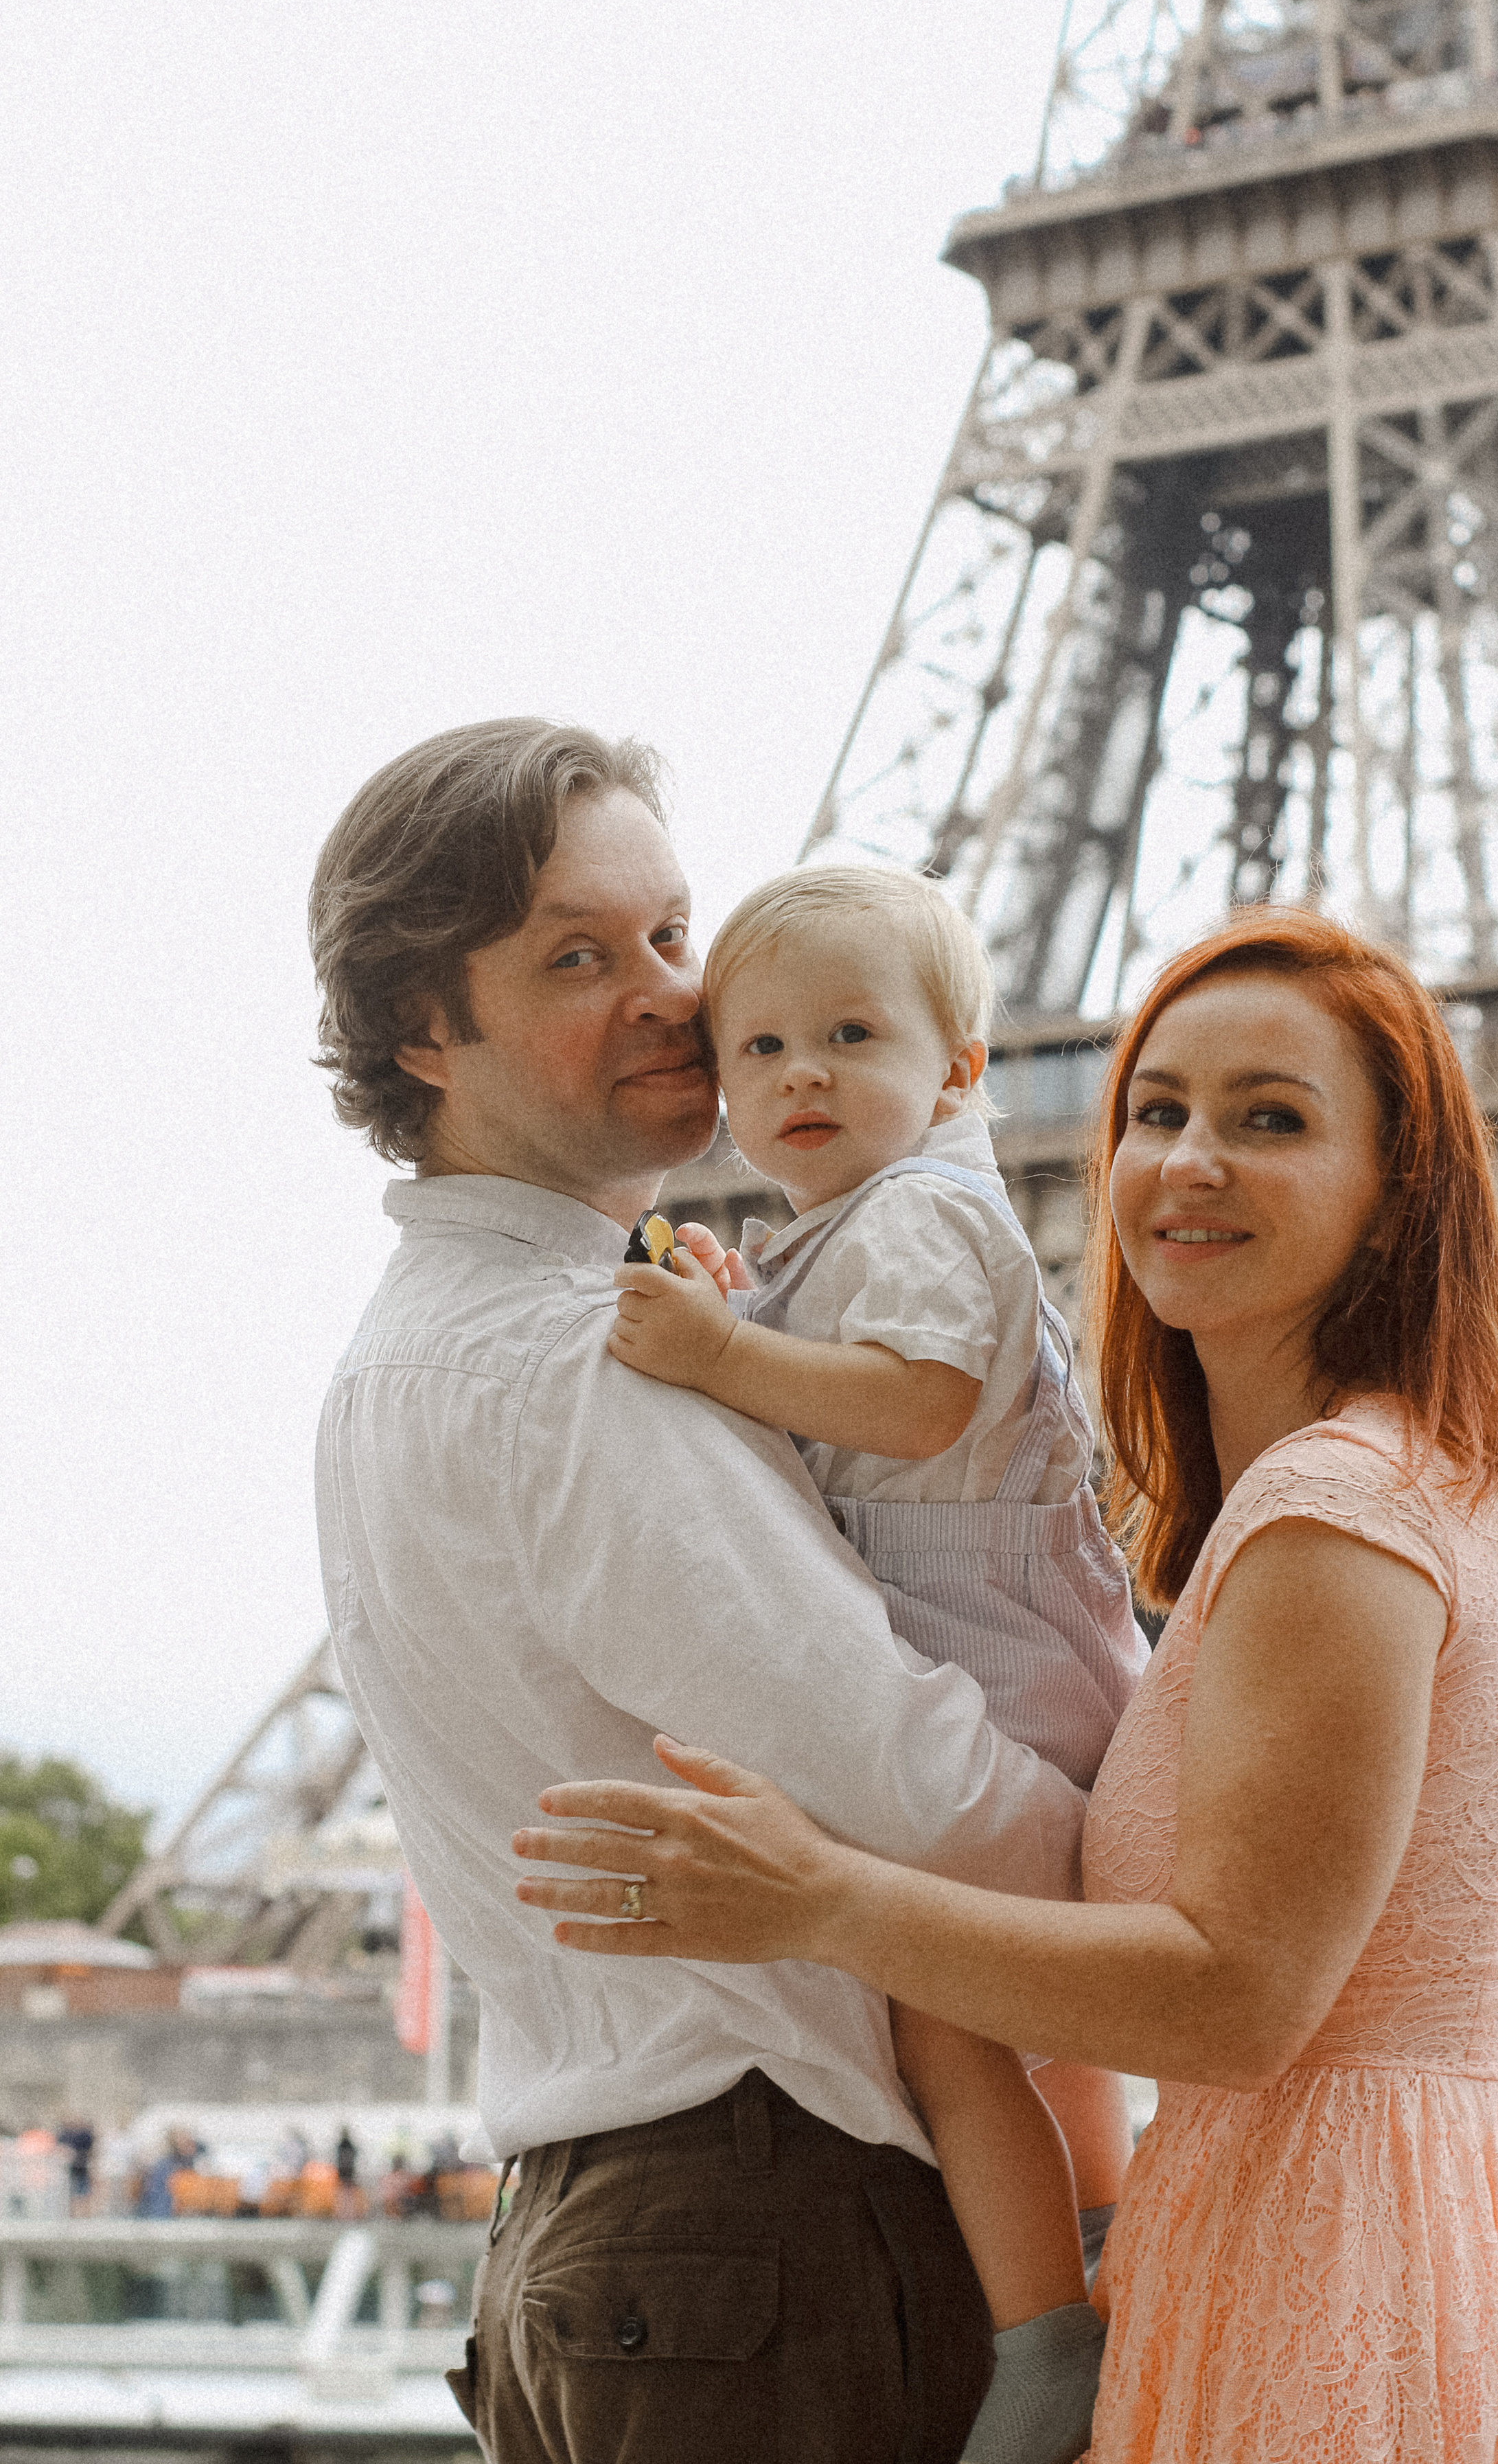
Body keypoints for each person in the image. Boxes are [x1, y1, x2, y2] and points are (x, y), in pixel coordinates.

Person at [514, 906, 1498, 2463]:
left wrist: (817, 1900)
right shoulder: (1365, 1493)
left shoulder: (1330, 1516)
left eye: (1270, 1120)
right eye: (1154, 1112)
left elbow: (1233, 1999)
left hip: (1350, 2281)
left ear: (1393, 1199)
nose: (1187, 1161)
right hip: (1377, 2247)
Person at [308, 720, 1087, 2464]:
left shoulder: (405, 1361)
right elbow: (924, 1797)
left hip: (609, 2235)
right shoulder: (573, 1363)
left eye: (673, 933)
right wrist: (1196, 1897)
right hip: (770, 2227)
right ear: (426, 1032)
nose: (670, 994)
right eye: (580, 956)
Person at [610, 864, 1148, 2463]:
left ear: (960, 1073)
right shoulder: (874, 1216)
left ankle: (1043, 2327)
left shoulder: (922, 1210)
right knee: (1022, 2009)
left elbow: (907, 1405)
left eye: (850, 1034)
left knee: (946, 2017)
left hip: (990, 1658)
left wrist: (716, 1352)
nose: (800, 1076)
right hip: (1021, 1647)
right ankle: (1108, 2233)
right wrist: (740, 1312)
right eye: (758, 1049)